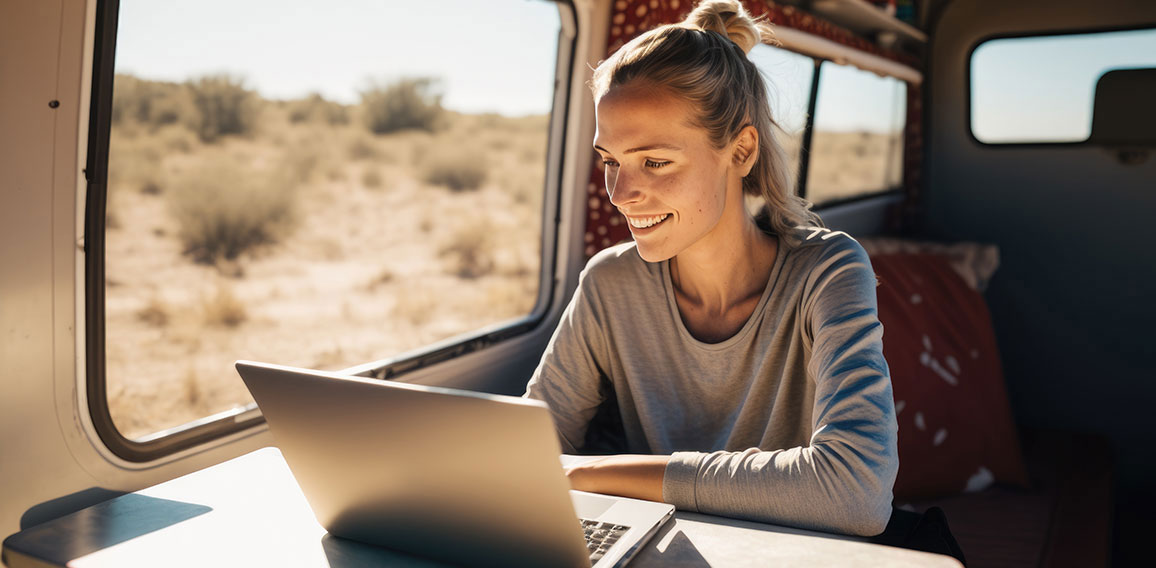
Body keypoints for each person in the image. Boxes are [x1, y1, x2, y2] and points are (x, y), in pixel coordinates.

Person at [524, 0, 898, 537]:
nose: (621, 195)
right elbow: (530, 452)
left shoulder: (828, 271)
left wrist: (587, 472)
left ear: (742, 150)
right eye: (611, 161)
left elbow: (857, 492)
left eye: (654, 162)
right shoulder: (609, 284)